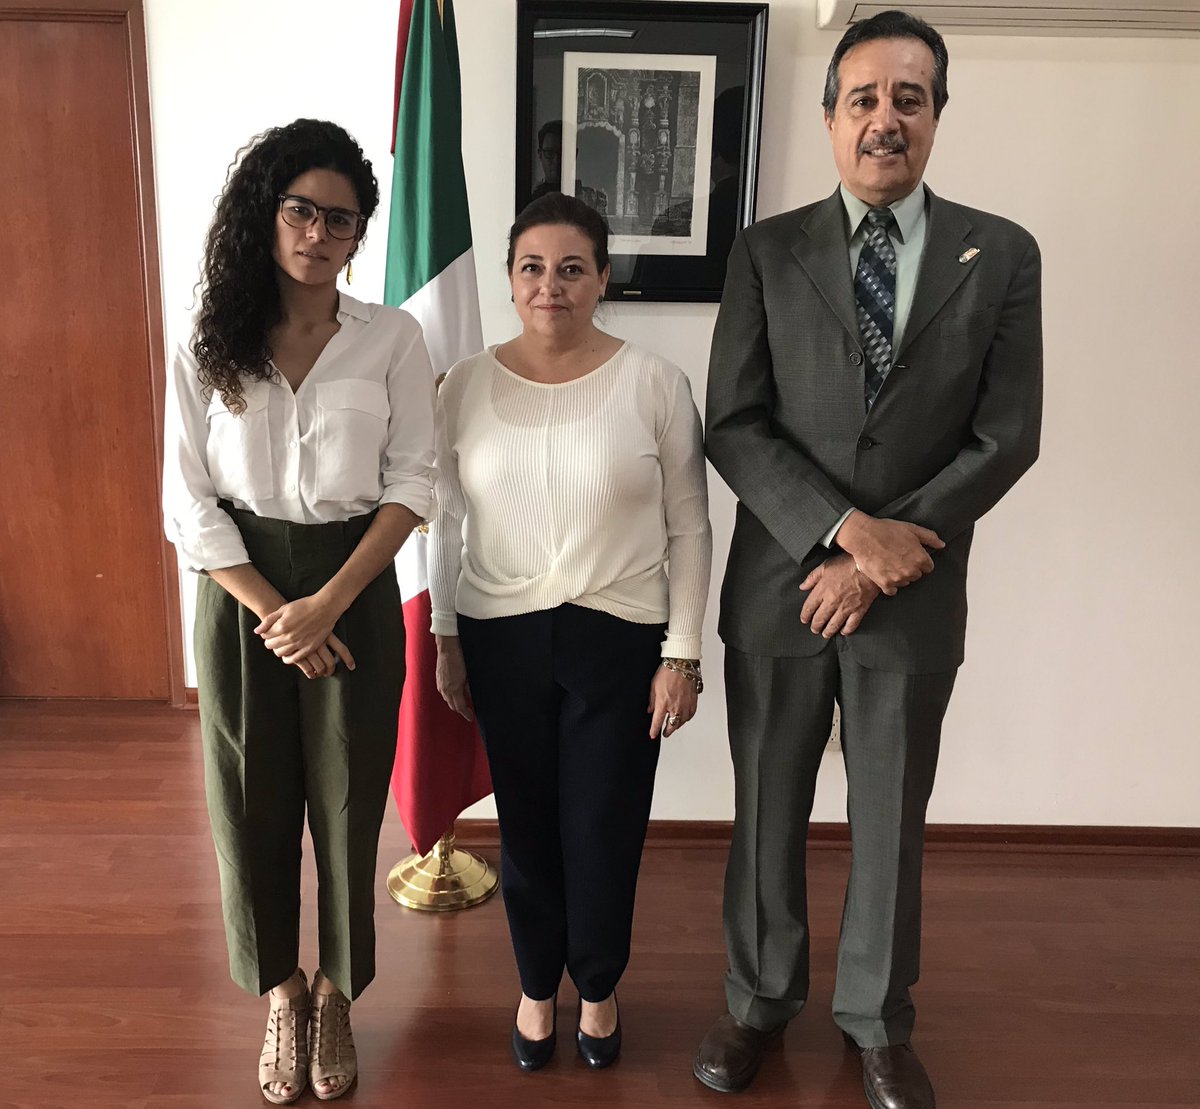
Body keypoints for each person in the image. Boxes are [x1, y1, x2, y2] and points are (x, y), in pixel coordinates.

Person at [695, 11, 1042, 1109]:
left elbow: (1007, 436)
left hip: (914, 589)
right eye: (864, 98)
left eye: (909, 97)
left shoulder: (1002, 253)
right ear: (831, 115)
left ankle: (877, 1020)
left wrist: (889, 554)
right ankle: (758, 999)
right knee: (768, 805)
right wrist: (847, 532)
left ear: (937, 114)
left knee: (890, 814)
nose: (885, 118)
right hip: (783, 583)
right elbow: (734, 423)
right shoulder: (766, 251)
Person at [162, 119, 436, 1104]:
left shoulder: (392, 338)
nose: (319, 233)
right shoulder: (208, 341)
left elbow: (414, 480)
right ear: (266, 213)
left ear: (360, 234)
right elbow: (188, 499)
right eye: (301, 211)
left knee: (349, 795)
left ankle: (337, 990)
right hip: (241, 591)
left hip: (351, 584)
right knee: (248, 796)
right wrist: (281, 611)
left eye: (341, 219)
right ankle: (280, 988)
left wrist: (326, 604)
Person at [430, 192, 712, 1072]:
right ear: (510, 280)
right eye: (532, 268)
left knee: (603, 825)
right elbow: (445, 520)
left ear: (602, 279)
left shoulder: (655, 383)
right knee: (526, 826)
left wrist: (683, 653)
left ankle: (596, 984)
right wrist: (445, 634)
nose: (550, 284)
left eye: (571, 268)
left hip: (620, 637)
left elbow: (690, 526)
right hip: (499, 633)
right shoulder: (463, 385)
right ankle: (533, 983)